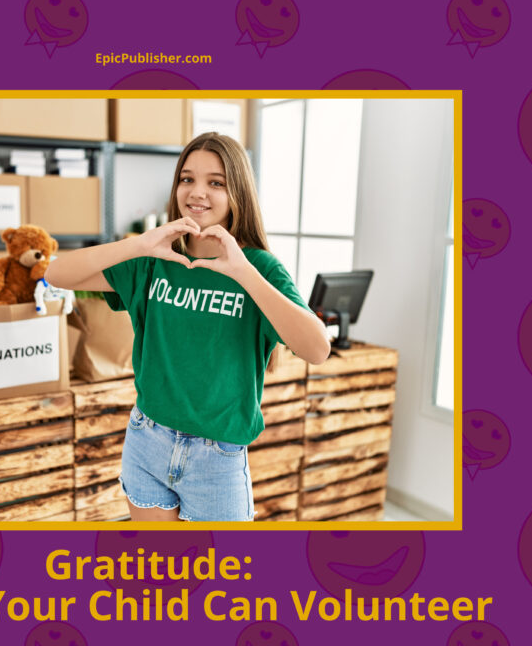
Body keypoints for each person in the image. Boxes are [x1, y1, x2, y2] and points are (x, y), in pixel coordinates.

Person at [45, 132, 331, 522]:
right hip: (148, 441)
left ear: (238, 194)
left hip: (218, 459)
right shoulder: (153, 259)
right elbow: (56, 273)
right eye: (187, 179)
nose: (197, 192)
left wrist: (244, 273)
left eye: (216, 182)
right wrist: (139, 244)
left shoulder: (260, 268)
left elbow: (317, 348)